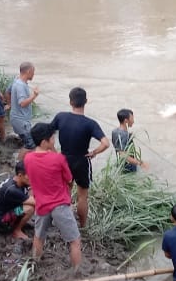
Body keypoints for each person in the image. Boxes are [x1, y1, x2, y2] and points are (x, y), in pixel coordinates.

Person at [50, 87, 109, 228]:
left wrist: (54, 151)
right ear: (86, 102)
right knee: (82, 196)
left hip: (63, 159)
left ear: (70, 102)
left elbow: (47, 133)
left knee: (66, 192)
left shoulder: (60, 117)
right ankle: (82, 226)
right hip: (81, 161)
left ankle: (64, 222)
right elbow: (106, 143)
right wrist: (94, 152)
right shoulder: (90, 123)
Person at [25, 123, 82, 268]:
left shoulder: (28, 159)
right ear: (45, 142)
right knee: (74, 240)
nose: (54, 140)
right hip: (60, 205)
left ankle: (34, 264)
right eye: (52, 138)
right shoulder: (58, 159)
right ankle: (77, 271)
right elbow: (69, 180)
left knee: (38, 237)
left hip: (41, 205)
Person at [0, 161, 35, 240]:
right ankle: (16, 231)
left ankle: (17, 222)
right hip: (1, 221)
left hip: (7, 210)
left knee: (32, 192)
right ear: (20, 175)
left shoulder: (17, 181)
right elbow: (36, 203)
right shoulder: (12, 190)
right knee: (30, 208)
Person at [9, 62, 39, 159]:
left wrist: (10, 104)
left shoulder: (17, 81)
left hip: (17, 119)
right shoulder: (20, 85)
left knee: (29, 143)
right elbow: (22, 103)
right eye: (33, 72)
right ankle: (19, 164)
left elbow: (7, 91)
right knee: (30, 145)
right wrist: (34, 96)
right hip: (21, 121)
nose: (34, 74)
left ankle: (21, 163)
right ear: (29, 71)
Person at [112, 109, 146, 173]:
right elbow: (123, 154)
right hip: (128, 168)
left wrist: (129, 135)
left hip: (120, 164)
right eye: (132, 119)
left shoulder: (115, 131)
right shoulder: (125, 135)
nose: (133, 121)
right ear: (126, 121)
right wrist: (140, 163)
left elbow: (118, 148)